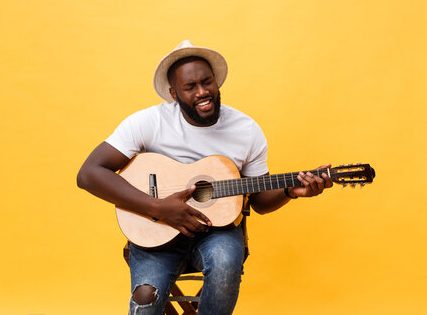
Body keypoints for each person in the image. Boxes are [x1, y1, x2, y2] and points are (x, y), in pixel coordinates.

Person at [76, 40, 333, 314]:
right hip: (155, 232)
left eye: (207, 82)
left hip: (217, 233)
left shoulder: (246, 130)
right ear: (174, 94)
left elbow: (258, 201)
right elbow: (89, 173)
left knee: (225, 266)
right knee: (145, 303)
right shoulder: (148, 122)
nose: (202, 92)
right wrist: (157, 207)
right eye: (190, 87)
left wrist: (290, 191)